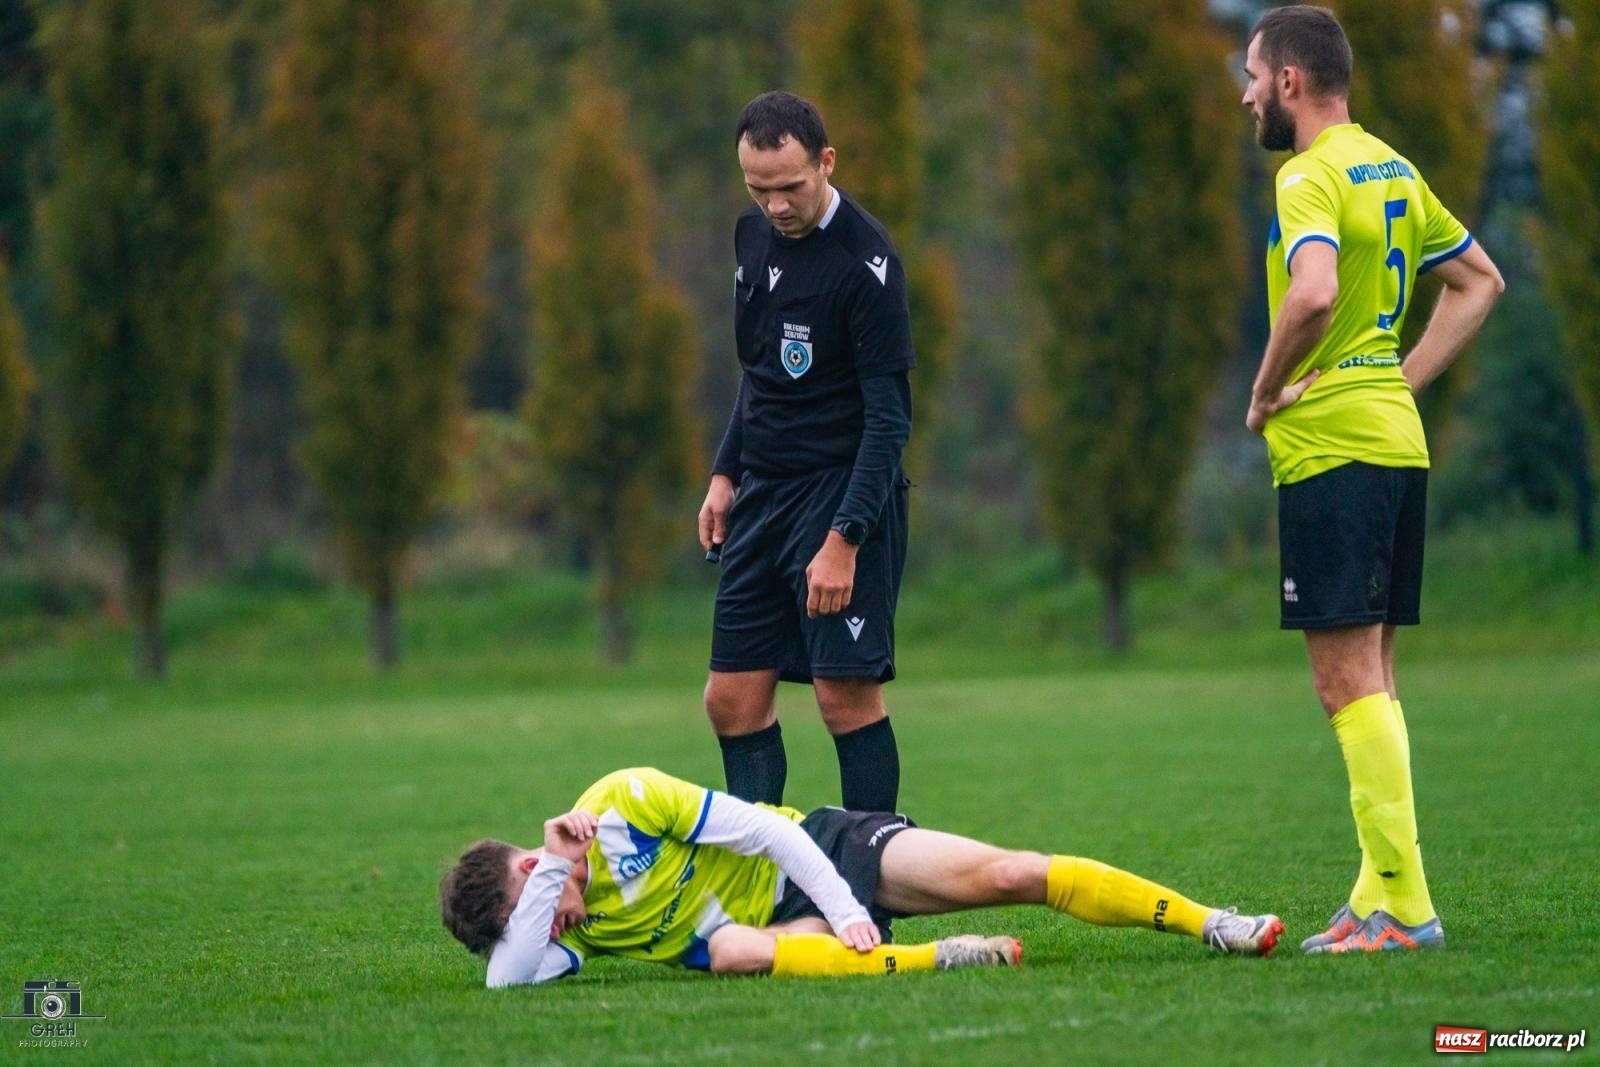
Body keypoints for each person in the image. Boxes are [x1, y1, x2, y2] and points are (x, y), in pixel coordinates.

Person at [1238, 6, 1504, 954]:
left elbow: (1309, 292)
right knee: (1376, 681)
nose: (1246, 94)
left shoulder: (1305, 173)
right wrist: (1399, 380)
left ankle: (1407, 908)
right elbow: (1480, 281)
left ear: (1292, 84)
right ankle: (1372, 893)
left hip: (1334, 451)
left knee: (1344, 683)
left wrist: (1265, 391)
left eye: (1253, 75)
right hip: (1394, 441)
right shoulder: (1391, 164)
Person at [439, 767, 1284, 987]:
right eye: (536, 924)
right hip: (769, 937)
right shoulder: (557, 916)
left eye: (539, 909)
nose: (555, 930)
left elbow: (771, 833)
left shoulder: (623, 800)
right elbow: (507, 978)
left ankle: (1212, 920)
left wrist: (847, 909)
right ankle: (948, 955)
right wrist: (552, 874)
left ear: (525, 864)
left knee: (1008, 870)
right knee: (730, 952)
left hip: (822, 850)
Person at [696, 91, 914, 814]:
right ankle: (758, 876)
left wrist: (845, 539)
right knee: (731, 700)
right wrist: (726, 473)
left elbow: (889, 420)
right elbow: (758, 375)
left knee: (844, 697)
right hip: (763, 493)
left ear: (826, 162)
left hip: (840, 494)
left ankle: (870, 892)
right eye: (759, 190)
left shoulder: (868, 263)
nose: (776, 206)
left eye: (791, 187)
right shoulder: (750, 238)